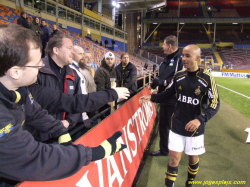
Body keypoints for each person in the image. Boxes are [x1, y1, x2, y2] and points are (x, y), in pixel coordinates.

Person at [0, 24, 127, 186]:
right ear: (15, 72)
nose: (41, 65)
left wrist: (60, 131)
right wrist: (94, 153)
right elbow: (34, 157)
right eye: (37, 62)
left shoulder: (19, 91)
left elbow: (37, 114)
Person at [139, 44, 220, 187]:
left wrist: (200, 120)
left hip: (195, 129)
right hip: (176, 125)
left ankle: (189, 183)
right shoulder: (179, 75)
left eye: (187, 56)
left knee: (192, 158)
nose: (183, 58)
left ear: (197, 58)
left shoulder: (207, 78)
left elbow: (215, 104)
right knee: (173, 160)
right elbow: (167, 94)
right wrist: (152, 97)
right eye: (183, 55)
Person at [28, 34, 82, 130]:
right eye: (69, 48)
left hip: (65, 131)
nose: (73, 52)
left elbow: (78, 102)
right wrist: (53, 125)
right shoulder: (37, 71)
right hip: (40, 136)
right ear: (56, 50)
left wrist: (69, 121)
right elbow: (31, 106)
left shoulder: (74, 75)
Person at [150, 35, 183, 157]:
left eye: (163, 44)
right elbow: (163, 76)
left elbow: (178, 79)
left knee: (171, 127)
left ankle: (173, 150)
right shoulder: (166, 59)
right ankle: (164, 150)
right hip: (163, 98)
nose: (162, 46)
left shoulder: (179, 59)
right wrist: (156, 81)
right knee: (163, 126)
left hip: (172, 100)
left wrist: (162, 82)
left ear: (169, 46)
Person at [69, 45, 92, 131]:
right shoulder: (71, 70)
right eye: (80, 54)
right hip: (77, 116)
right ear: (73, 54)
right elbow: (79, 95)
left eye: (83, 54)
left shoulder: (78, 69)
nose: (83, 56)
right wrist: (84, 116)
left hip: (82, 112)